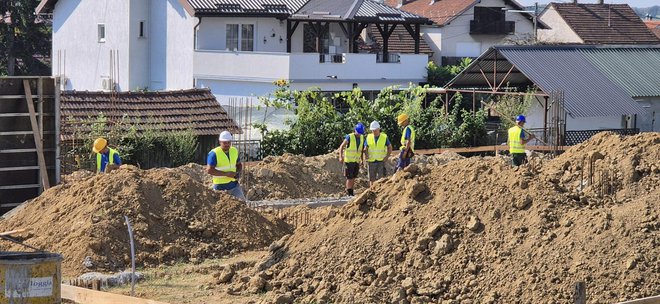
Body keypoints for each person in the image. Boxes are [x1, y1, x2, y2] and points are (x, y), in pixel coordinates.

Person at [206, 131, 246, 200]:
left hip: (234, 185)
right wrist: (226, 174)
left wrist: (238, 173)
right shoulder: (214, 153)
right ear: (220, 142)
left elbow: (239, 165)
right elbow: (209, 170)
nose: (227, 144)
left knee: (242, 204)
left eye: (229, 142)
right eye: (224, 142)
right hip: (220, 188)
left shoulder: (234, 151)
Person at [338, 123, 366, 196]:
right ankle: (349, 192)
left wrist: (362, 160)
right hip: (349, 161)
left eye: (360, 133)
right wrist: (341, 156)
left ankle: (351, 191)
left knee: (353, 177)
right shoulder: (349, 137)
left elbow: (361, 150)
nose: (359, 134)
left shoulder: (362, 137)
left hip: (356, 161)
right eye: (358, 133)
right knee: (349, 177)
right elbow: (341, 146)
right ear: (355, 130)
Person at [363, 121, 392, 186]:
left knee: (381, 179)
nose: (374, 132)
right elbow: (365, 148)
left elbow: (390, 147)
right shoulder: (369, 137)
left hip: (381, 161)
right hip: (371, 161)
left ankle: (380, 193)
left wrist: (387, 157)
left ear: (379, 129)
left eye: (375, 130)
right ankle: (372, 191)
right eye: (373, 130)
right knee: (371, 179)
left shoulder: (384, 137)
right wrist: (366, 155)